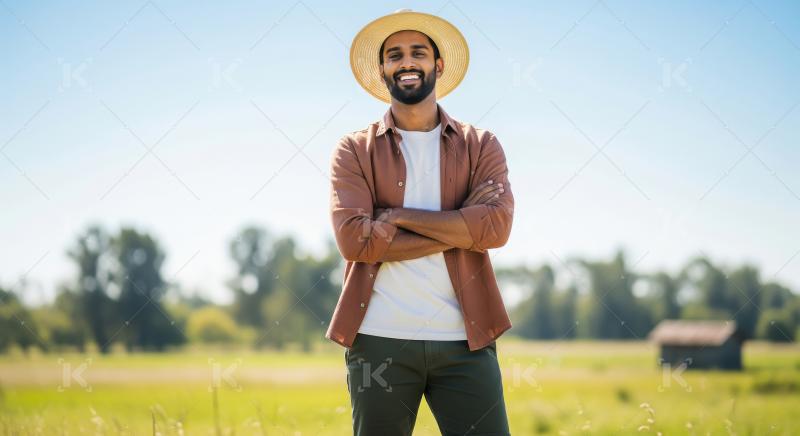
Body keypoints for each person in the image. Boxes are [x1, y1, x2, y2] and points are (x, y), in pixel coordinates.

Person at [326, 9, 515, 436]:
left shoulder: (480, 145)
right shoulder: (354, 149)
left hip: (466, 340)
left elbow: (497, 229)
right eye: (394, 55)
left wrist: (396, 218)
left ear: (438, 65)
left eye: (417, 52)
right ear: (382, 70)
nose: (406, 62)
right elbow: (355, 241)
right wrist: (460, 228)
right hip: (377, 340)